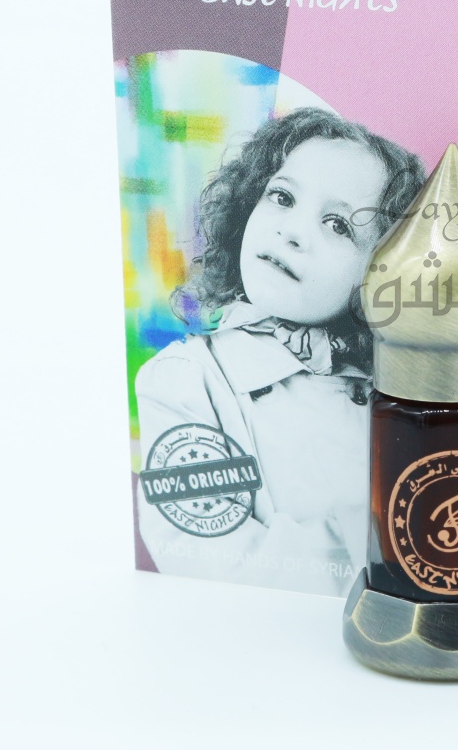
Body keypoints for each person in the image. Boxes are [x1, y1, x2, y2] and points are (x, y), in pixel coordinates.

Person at [134, 107, 424, 595]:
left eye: (338, 225)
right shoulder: (187, 380)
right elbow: (211, 558)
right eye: (282, 197)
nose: (292, 231)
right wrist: (392, 549)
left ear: (383, 270)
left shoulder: (401, 389)